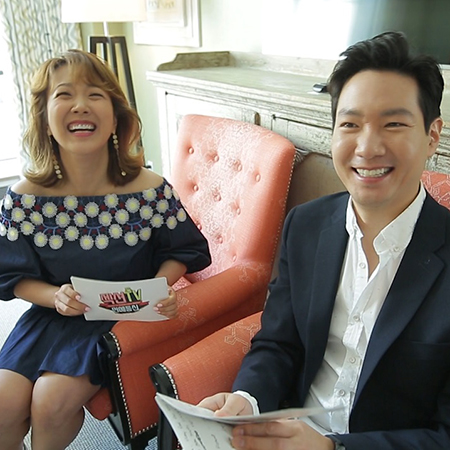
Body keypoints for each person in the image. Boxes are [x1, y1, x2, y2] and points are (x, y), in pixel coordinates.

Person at [199, 31, 450, 450]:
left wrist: (332, 447)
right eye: (350, 124)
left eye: (394, 124)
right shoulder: (306, 225)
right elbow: (278, 342)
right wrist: (248, 399)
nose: (367, 147)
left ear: (432, 136)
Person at [0, 49, 211, 450]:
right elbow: (11, 275)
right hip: (51, 317)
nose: (80, 104)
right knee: (3, 402)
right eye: (64, 94)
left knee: (50, 401)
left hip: (121, 319)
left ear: (115, 118)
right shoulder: (24, 198)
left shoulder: (151, 190)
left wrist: (158, 288)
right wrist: (55, 297)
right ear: (44, 117)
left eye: (95, 94)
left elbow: (183, 251)